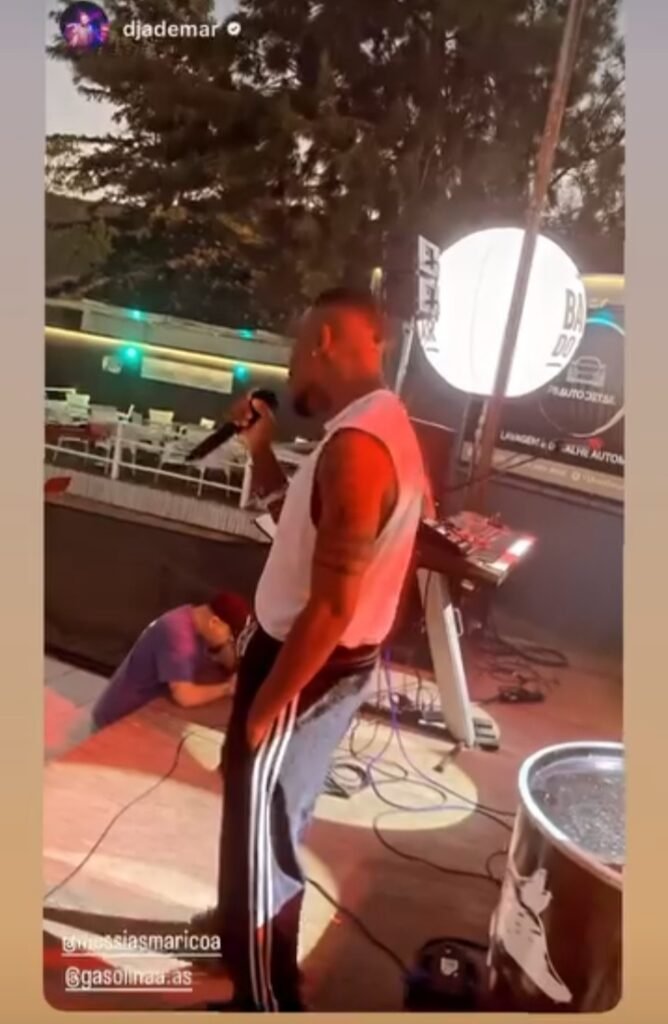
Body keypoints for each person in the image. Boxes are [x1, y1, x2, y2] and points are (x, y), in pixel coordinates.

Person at [206, 288, 428, 1011]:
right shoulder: (372, 429)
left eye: (296, 349)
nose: (290, 366)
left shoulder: (358, 450)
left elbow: (332, 606)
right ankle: (237, 934)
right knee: (265, 818)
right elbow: (297, 532)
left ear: (325, 341)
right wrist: (260, 449)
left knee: (266, 835)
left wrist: (265, 707)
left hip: (303, 668)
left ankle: (264, 998)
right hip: (309, 662)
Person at [91, 592, 251, 730]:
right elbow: (185, 696)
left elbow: (226, 661)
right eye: (230, 637)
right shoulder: (177, 634)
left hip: (149, 716)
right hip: (118, 720)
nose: (229, 642)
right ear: (214, 623)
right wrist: (227, 688)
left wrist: (225, 652)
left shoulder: (197, 620)